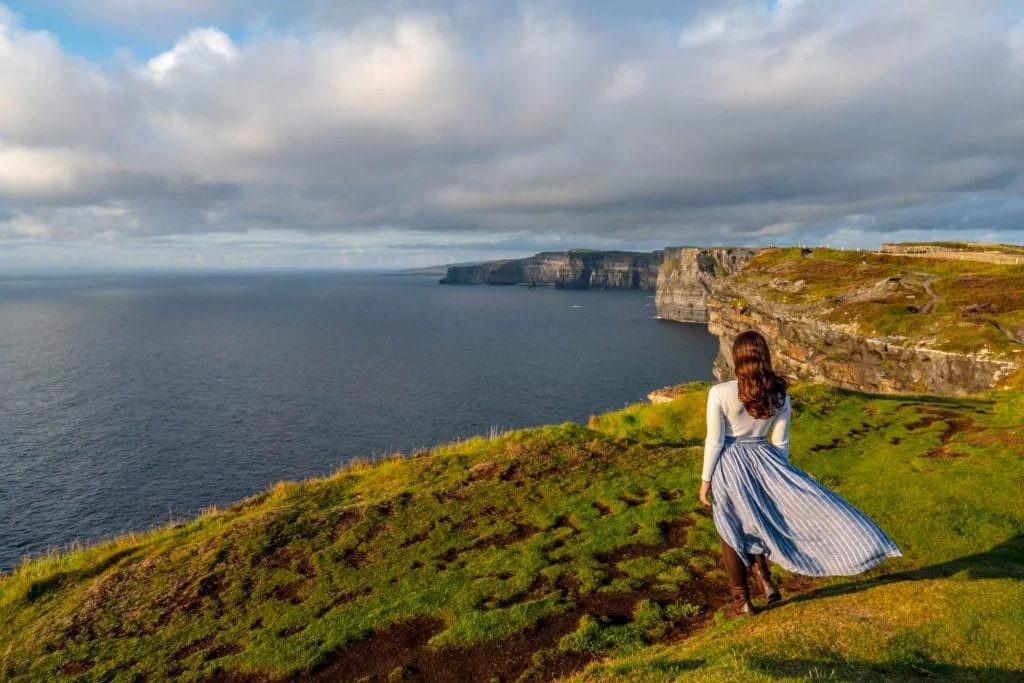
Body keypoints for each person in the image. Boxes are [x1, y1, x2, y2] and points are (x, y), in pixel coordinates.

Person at [699, 331, 902, 618]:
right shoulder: (779, 395)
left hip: (730, 464)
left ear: (737, 357)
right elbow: (780, 441)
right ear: (764, 356)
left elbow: (715, 441)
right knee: (755, 519)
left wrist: (706, 480)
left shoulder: (719, 393)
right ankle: (765, 581)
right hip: (765, 459)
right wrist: (779, 476)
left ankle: (741, 602)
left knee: (731, 529)